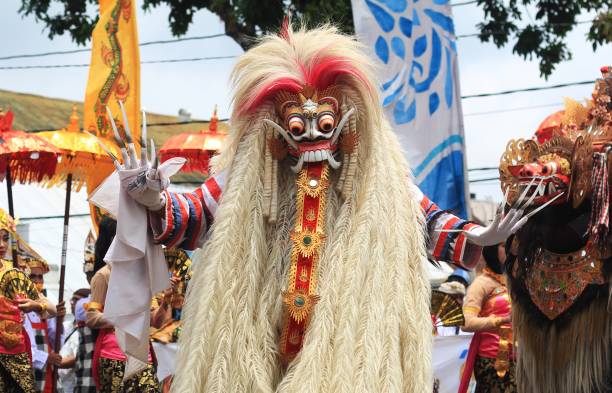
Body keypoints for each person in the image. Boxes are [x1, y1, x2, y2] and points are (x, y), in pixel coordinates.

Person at [97, 24, 527, 392]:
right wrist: (153, 200)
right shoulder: (247, 172)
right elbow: (195, 215)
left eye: (323, 124)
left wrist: (479, 237)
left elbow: (427, 219)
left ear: (345, 122)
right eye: (298, 126)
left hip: (342, 336)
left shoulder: (380, 176)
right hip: (253, 334)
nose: (310, 138)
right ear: (277, 127)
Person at [85, 217, 159, 392]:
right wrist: (124, 317)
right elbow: (92, 316)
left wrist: (168, 302)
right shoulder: (104, 275)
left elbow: (155, 319)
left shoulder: (145, 276)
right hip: (114, 355)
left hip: (142, 355)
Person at [0, 208, 57, 393]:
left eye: (6, 238)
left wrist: (36, 305)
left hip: (15, 349)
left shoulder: (14, 272)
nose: (2, 245)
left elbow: (51, 309)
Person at [459, 243, 516, 393]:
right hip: (492, 361)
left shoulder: (517, 281)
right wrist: (500, 320)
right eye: (504, 245)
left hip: (522, 360)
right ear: (492, 250)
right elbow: (465, 322)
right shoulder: (481, 284)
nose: (511, 249)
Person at [23, 258, 66, 393]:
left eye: (40, 277)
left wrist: (60, 320)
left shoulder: (47, 307)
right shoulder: (22, 308)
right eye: (32, 276)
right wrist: (46, 357)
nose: (37, 281)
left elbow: (56, 343)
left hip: (47, 372)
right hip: (30, 371)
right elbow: (24, 349)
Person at [55, 288, 91, 393]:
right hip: (59, 382)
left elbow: (76, 358)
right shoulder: (66, 325)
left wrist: (54, 362)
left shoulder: (87, 330)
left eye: (76, 300)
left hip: (72, 384)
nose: (72, 303)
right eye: (72, 299)